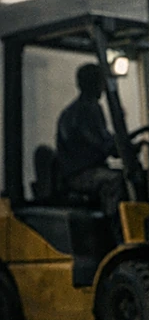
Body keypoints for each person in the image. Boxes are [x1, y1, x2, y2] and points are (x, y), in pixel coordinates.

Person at [57, 63, 125, 241]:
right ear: (90, 83)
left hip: (88, 169)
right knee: (116, 181)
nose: (102, 86)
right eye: (100, 81)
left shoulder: (90, 108)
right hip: (79, 174)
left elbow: (104, 138)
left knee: (129, 176)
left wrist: (123, 144)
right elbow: (99, 141)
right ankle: (116, 234)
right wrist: (119, 147)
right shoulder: (80, 112)